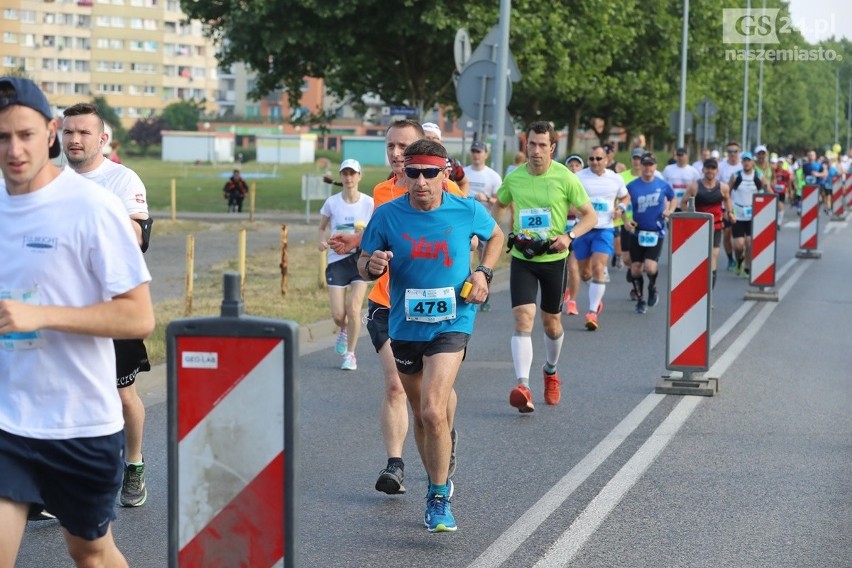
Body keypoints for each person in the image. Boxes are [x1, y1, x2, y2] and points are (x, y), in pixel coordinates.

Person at [0, 76, 154, 568]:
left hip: (79, 423)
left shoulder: (93, 207)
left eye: (25, 135)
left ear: (49, 131)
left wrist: (41, 316)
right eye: (2, 137)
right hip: (7, 420)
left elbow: (138, 315)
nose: (14, 149)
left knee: (90, 551)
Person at [358, 139, 504, 532]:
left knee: (431, 410)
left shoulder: (466, 209)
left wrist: (483, 273)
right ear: (403, 173)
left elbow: (496, 237)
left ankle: (438, 496)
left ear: (445, 173)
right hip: (404, 324)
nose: (421, 181)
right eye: (413, 172)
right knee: (423, 417)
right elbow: (362, 261)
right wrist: (370, 265)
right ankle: (438, 473)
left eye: (430, 173)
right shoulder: (387, 215)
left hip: (453, 319)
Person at [363, 120, 464, 497]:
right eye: (389, 146)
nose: (395, 154)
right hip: (388, 303)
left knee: (432, 402)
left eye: (402, 147)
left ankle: (443, 432)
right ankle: (395, 464)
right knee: (395, 386)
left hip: (436, 308)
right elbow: (378, 235)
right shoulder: (381, 190)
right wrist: (361, 250)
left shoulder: (444, 186)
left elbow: (459, 229)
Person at [61, 102, 154, 509]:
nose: (75, 139)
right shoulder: (51, 179)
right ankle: (60, 480)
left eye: (84, 133)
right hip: (63, 307)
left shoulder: (121, 178)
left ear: (102, 139)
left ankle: (132, 465)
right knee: (62, 395)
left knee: (123, 396)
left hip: (114, 307)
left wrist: (89, 215)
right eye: (69, 132)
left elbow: (137, 234)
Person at [493, 121, 597, 413]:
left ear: (552, 147)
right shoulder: (514, 178)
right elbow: (499, 205)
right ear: (525, 145)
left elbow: (590, 217)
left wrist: (569, 236)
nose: (536, 150)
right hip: (524, 259)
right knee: (523, 318)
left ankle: (550, 371)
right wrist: (496, 232)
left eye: (542, 145)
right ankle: (522, 385)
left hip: (554, 259)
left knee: (551, 323)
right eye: (532, 144)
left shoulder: (565, 178)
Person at [317, 159, 373, 371]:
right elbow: (322, 228)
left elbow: (377, 229)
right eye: (345, 174)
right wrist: (321, 242)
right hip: (336, 261)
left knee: (354, 309)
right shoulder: (332, 202)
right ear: (341, 177)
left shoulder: (369, 203)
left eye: (353, 173)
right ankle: (343, 329)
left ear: (359, 176)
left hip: (359, 260)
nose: (349, 178)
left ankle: (350, 354)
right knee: (339, 315)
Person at [574, 145, 630, 330]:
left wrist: (620, 209)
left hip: (604, 229)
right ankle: (595, 296)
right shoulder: (578, 177)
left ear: (606, 160)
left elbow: (625, 197)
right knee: (585, 273)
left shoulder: (615, 178)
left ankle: (592, 312)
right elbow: (566, 198)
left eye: (599, 158)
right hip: (582, 229)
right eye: (591, 159)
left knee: (599, 267)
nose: (595, 162)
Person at [625, 152, 677, 313]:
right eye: (645, 164)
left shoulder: (662, 185)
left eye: (651, 165)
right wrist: (626, 221)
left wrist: (669, 210)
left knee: (650, 268)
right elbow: (622, 203)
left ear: (655, 167)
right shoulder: (632, 186)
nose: (648, 168)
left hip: (656, 231)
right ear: (640, 166)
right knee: (635, 269)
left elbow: (673, 198)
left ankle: (652, 287)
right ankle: (640, 300)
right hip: (637, 232)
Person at [680, 158, 735, 290]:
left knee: (713, 257)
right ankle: (696, 287)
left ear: (717, 171)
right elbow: (683, 203)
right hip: (698, 227)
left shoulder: (723, 187)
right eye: (708, 168)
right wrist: (690, 215)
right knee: (698, 259)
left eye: (713, 168)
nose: (710, 171)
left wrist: (730, 212)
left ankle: (709, 292)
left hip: (715, 226)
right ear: (703, 170)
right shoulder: (695, 186)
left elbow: (727, 200)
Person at [464, 140, 503, 312]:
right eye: (474, 151)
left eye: (479, 151)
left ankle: (485, 294)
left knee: (484, 261)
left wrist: (486, 199)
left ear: (486, 154)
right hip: (466, 224)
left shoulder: (493, 176)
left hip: (484, 224)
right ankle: (467, 292)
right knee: (467, 261)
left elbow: (500, 202)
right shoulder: (464, 173)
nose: (476, 154)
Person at [729, 151, 764, 277]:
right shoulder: (736, 176)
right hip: (738, 213)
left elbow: (765, 192)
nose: (746, 163)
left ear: (752, 162)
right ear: (742, 162)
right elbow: (728, 192)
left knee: (749, 242)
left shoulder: (758, 175)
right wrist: (728, 210)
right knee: (738, 245)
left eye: (749, 160)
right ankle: (739, 260)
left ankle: (747, 268)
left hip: (752, 213)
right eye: (744, 160)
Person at [562, 154, 585, 316]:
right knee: (561, 268)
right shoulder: (560, 183)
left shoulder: (585, 186)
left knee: (574, 267)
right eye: (571, 165)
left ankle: (573, 302)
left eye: (578, 165)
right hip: (559, 231)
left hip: (576, 231)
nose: (574, 168)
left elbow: (585, 211)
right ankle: (564, 293)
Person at [421, 122, 469, 195]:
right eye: (427, 138)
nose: (431, 141)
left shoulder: (452, 163)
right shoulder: (409, 162)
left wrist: (461, 200)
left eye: (435, 138)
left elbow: (464, 183)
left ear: (440, 142)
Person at [718, 141, 743, 271]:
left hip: (741, 206)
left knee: (740, 240)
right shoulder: (721, 166)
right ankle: (730, 259)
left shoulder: (743, 165)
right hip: (725, 205)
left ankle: (740, 258)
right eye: (730, 151)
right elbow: (716, 185)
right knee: (727, 233)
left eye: (735, 151)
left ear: (739, 152)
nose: (732, 154)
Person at [661, 147, 700, 211]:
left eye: (682, 155)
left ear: (686, 156)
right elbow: (662, 185)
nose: (680, 158)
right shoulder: (668, 169)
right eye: (678, 155)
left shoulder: (693, 171)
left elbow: (698, 187)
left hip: (687, 205)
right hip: (671, 205)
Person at [771, 156, 794, 228]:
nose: (780, 164)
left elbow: (789, 182)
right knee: (775, 207)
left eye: (781, 162)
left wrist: (790, 192)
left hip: (782, 192)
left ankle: (778, 223)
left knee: (781, 206)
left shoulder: (786, 172)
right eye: (779, 162)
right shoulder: (774, 171)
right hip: (774, 191)